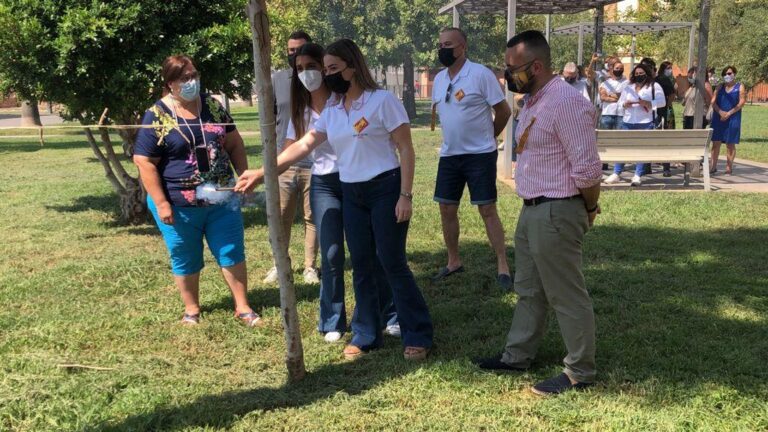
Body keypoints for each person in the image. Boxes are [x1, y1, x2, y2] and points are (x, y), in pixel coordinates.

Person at [235, 38, 433, 361]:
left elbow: (406, 149)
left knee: (391, 261)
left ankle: (418, 333)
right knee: (362, 264)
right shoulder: (333, 109)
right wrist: (263, 171)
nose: (327, 76)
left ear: (352, 68)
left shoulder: (381, 101)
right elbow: (304, 145)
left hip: (385, 188)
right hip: (352, 192)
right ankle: (366, 333)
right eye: (325, 69)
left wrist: (405, 195)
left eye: (333, 69)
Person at [474, 30, 602, 397]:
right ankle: (517, 355)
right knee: (529, 289)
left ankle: (580, 370)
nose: (507, 75)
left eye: (513, 68)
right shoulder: (533, 101)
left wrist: (589, 207)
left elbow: (588, 171)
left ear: (537, 66)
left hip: (557, 210)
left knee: (566, 293)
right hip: (532, 210)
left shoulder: (565, 102)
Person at [133, 55, 261, 327]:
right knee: (185, 254)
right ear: (170, 84)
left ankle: (243, 306)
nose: (192, 82)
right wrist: (161, 203)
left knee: (231, 250)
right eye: (184, 78)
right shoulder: (156, 115)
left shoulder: (213, 107)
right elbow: (144, 161)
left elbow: (235, 143)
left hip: (222, 200)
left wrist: (244, 178)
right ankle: (191, 310)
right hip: (178, 205)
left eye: (194, 75)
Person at [286, 43, 398, 343]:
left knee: (374, 252)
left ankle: (387, 314)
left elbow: (395, 144)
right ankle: (333, 320)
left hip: (359, 181)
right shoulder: (309, 111)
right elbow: (299, 146)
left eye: (314, 67)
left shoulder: (355, 99)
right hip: (325, 182)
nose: (309, 74)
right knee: (333, 253)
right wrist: (265, 171)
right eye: (300, 69)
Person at [431, 27, 513, 290]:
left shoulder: (480, 74)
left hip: (479, 155)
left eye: (449, 45)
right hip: (450, 156)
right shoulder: (439, 79)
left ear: (463, 47)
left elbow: (503, 110)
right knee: (446, 209)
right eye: (440, 44)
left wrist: (490, 137)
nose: (443, 49)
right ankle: (453, 261)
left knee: (487, 209)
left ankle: (503, 265)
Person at [264, 30, 319, 285]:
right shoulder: (278, 79)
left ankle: (310, 267)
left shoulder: (319, 79)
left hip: (316, 161)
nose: (295, 54)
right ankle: (279, 263)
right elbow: (270, 117)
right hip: (285, 158)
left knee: (312, 217)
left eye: (300, 49)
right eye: (291, 51)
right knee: (281, 214)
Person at [603, 63, 665, 187]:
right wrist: (625, 104)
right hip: (628, 121)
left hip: (645, 122)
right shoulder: (628, 87)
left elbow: (662, 102)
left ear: (647, 74)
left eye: (641, 74)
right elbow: (620, 103)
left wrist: (648, 103)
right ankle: (616, 173)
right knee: (623, 147)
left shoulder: (654, 86)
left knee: (642, 149)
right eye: (636, 74)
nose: (639, 76)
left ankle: (637, 175)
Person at [710, 66, 746, 175]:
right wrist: (720, 112)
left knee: (730, 144)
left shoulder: (740, 87)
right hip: (718, 117)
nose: (727, 75)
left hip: (733, 117)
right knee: (716, 143)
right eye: (725, 74)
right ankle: (713, 167)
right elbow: (713, 101)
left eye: (730, 73)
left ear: (734, 74)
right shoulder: (719, 87)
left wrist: (729, 113)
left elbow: (742, 102)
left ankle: (729, 167)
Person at [656, 61, 678, 176]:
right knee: (666, 137)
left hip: (658, 111)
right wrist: (667, 105)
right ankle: (666, 166)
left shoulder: (657, 79)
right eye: (668, 68)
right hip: (663, 112)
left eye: (671, 68)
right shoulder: (664, 79)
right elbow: (672, 94)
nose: (670, 70)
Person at [598, 59, 627, 130]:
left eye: (621, 69)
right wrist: (617, 97)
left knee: (619, 139)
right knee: (605, 138)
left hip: (621, 114)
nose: (619, 70)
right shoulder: (605, 83)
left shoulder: (627, 83)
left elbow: (621, 97)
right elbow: (603, 97)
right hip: (607, 114)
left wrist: (609, 95)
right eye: (617, 68)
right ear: (612, 69)